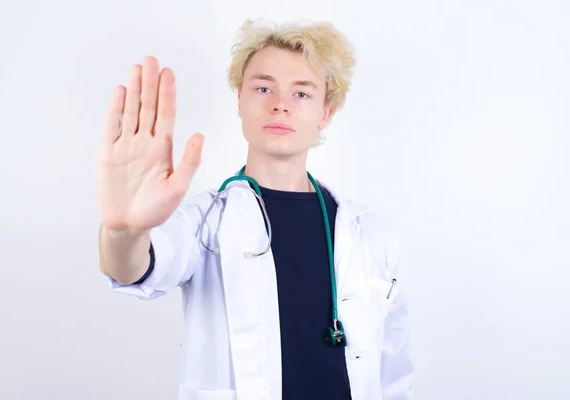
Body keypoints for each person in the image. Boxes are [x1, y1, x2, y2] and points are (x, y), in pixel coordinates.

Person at [96, 18, 413, 400]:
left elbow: (393, 371)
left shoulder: (373, 235)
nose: (280, 105)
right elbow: (133, 267)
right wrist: (123, 232)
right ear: (240, 101)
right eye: (263, 88)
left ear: (325, 112)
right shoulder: (205, 220)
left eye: (302, 94)